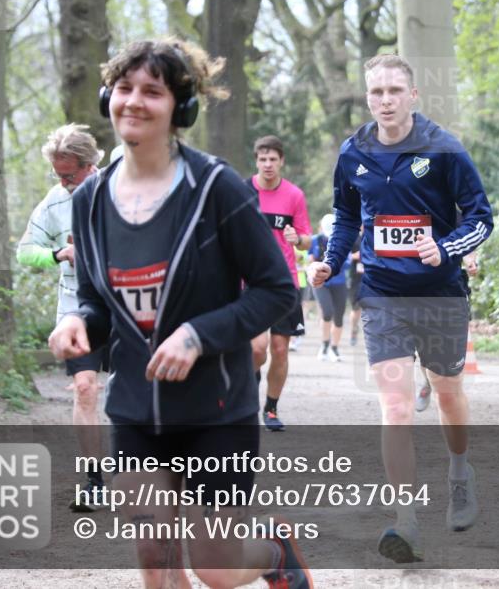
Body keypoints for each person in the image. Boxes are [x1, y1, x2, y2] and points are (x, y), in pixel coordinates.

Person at [48, 37, 311, 589]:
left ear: (181, 107)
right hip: (138, 409)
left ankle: (273, 553)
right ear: (107, 99)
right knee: (156, 557)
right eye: (124, 89)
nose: (134, 102)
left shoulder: (215, 187)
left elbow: (276, 289)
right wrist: (77, 320)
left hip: (215, 407)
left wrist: (198, 334)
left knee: (215, 568)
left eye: (153, 91)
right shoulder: (89, 199)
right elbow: (97, 299)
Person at [307, 54, 493, 563]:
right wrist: (329, 260)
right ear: (367, 98)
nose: (384, 100)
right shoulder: (354, 151)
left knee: (449, 395)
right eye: (376, 93)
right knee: (393, 405)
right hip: (383, 294)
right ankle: (405, 520)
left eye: (394, 91)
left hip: (439, 294)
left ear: (413, 95)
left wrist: (447, 247)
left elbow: (481, 217)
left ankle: (459, 473)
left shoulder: (444, 149)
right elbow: (346, 216)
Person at [16, 123, 108, 511]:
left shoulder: (117, 192)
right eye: (58, 174)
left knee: (134, 393)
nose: (64, 181)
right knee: (85, 387)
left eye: (69, 174)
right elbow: (24, 252)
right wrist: (58, 255)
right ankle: (93, 480)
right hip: (75, 307)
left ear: (90, 165)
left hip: (127, 306)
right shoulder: (54, 202)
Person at [248, 135, 312, 431]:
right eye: (263, 159)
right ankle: (248, 394)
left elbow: (306, 239)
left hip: (284, 281)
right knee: (256, 349)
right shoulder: (243, 191)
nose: (268, 164)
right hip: (249, 280)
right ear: (256, 161)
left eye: (273, 159)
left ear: (281, 161)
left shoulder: (294, 195)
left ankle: (271, 409)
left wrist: (296, 238)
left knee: (280, 349)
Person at [416, 249, 479, 413]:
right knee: (422, 348)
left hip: (449, 292)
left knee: (449, 374)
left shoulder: (451, 223)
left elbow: (467, 238)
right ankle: (429, 381)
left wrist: (470, 261)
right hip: (411, 291)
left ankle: (450, 390)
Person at [308, 214, 348, 362]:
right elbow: (310, 259)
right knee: (327, 311)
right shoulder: (315, 240)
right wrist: (314, 265)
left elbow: (347, 261)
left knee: (339, 316)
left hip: (339, 281)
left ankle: (334, 348)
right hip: (320, 282)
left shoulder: (342, 240)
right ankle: (324, 345)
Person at [347, 227, 364, 346]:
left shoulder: (374, 235)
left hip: (371, 276)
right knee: (356, 308)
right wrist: (355, 256)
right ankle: (353, 331)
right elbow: (346, 256)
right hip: (355, 277)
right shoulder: (353, 236)